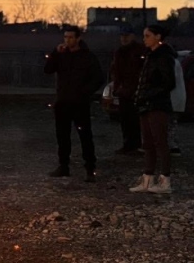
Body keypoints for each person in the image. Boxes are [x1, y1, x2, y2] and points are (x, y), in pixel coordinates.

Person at [43, 25, 104, 182]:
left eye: (70, 37)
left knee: (85, 136)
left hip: (80, 104)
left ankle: (90, 168)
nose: (67, 40)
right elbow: (47, 69)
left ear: (78, 38)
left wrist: (84, 92)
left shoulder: (88, 57)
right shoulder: (62, 55)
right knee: (62, 136)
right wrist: (55, 53)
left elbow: (98, 78)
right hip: (63, 102)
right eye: (65, 37)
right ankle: (64, 166)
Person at [129, 24, 176, 194]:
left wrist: (147, 95)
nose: (144, 39)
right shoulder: (151, 56)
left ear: (158, 37)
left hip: (157, 105)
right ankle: (148, 179)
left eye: (147, 35)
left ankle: (165, 180)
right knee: (148, 143)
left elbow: (169, 83)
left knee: (159, 142)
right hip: (146, 104)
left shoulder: (163, 57)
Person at [110, 24, 147, 154]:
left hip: (134, 90)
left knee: (134, 119)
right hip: (125, 90)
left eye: (126, 36)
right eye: (122, 36)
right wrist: (117, 87)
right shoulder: (120, 52)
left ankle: (135, 144)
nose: (124, 38)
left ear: (132, 36)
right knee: (126, 120)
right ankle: (129, 144)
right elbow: (116, 72)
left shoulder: (139, 51)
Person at [168, 55, 186, 155]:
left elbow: (170, 80)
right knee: (172, 123)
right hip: (175, 99)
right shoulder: (175, 62)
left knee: (169, 123)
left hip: (171, 99)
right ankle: (172, 145)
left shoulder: (171, 63)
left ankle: (172, 146)